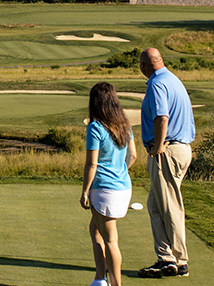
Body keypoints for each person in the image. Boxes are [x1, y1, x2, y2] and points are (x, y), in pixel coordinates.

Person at [137, 48, 196, 279]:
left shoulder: (156, 84)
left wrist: (159, 146)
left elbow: (162, 117)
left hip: (167, 150)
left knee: (170, 206)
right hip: (180, 149)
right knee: (155, 204)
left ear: (143, 66)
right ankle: (166, 258)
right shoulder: (173, 79)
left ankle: (180, 261)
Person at [81, 82, 137, 286]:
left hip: (103, 188)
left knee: (111, 240)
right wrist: (119, 172)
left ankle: (115, 284)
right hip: (123, 186)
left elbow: (91, 163)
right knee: (95, 230)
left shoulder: (95, 127)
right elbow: (133, 156)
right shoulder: (125, 125)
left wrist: (85, 191)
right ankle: (99, 279)